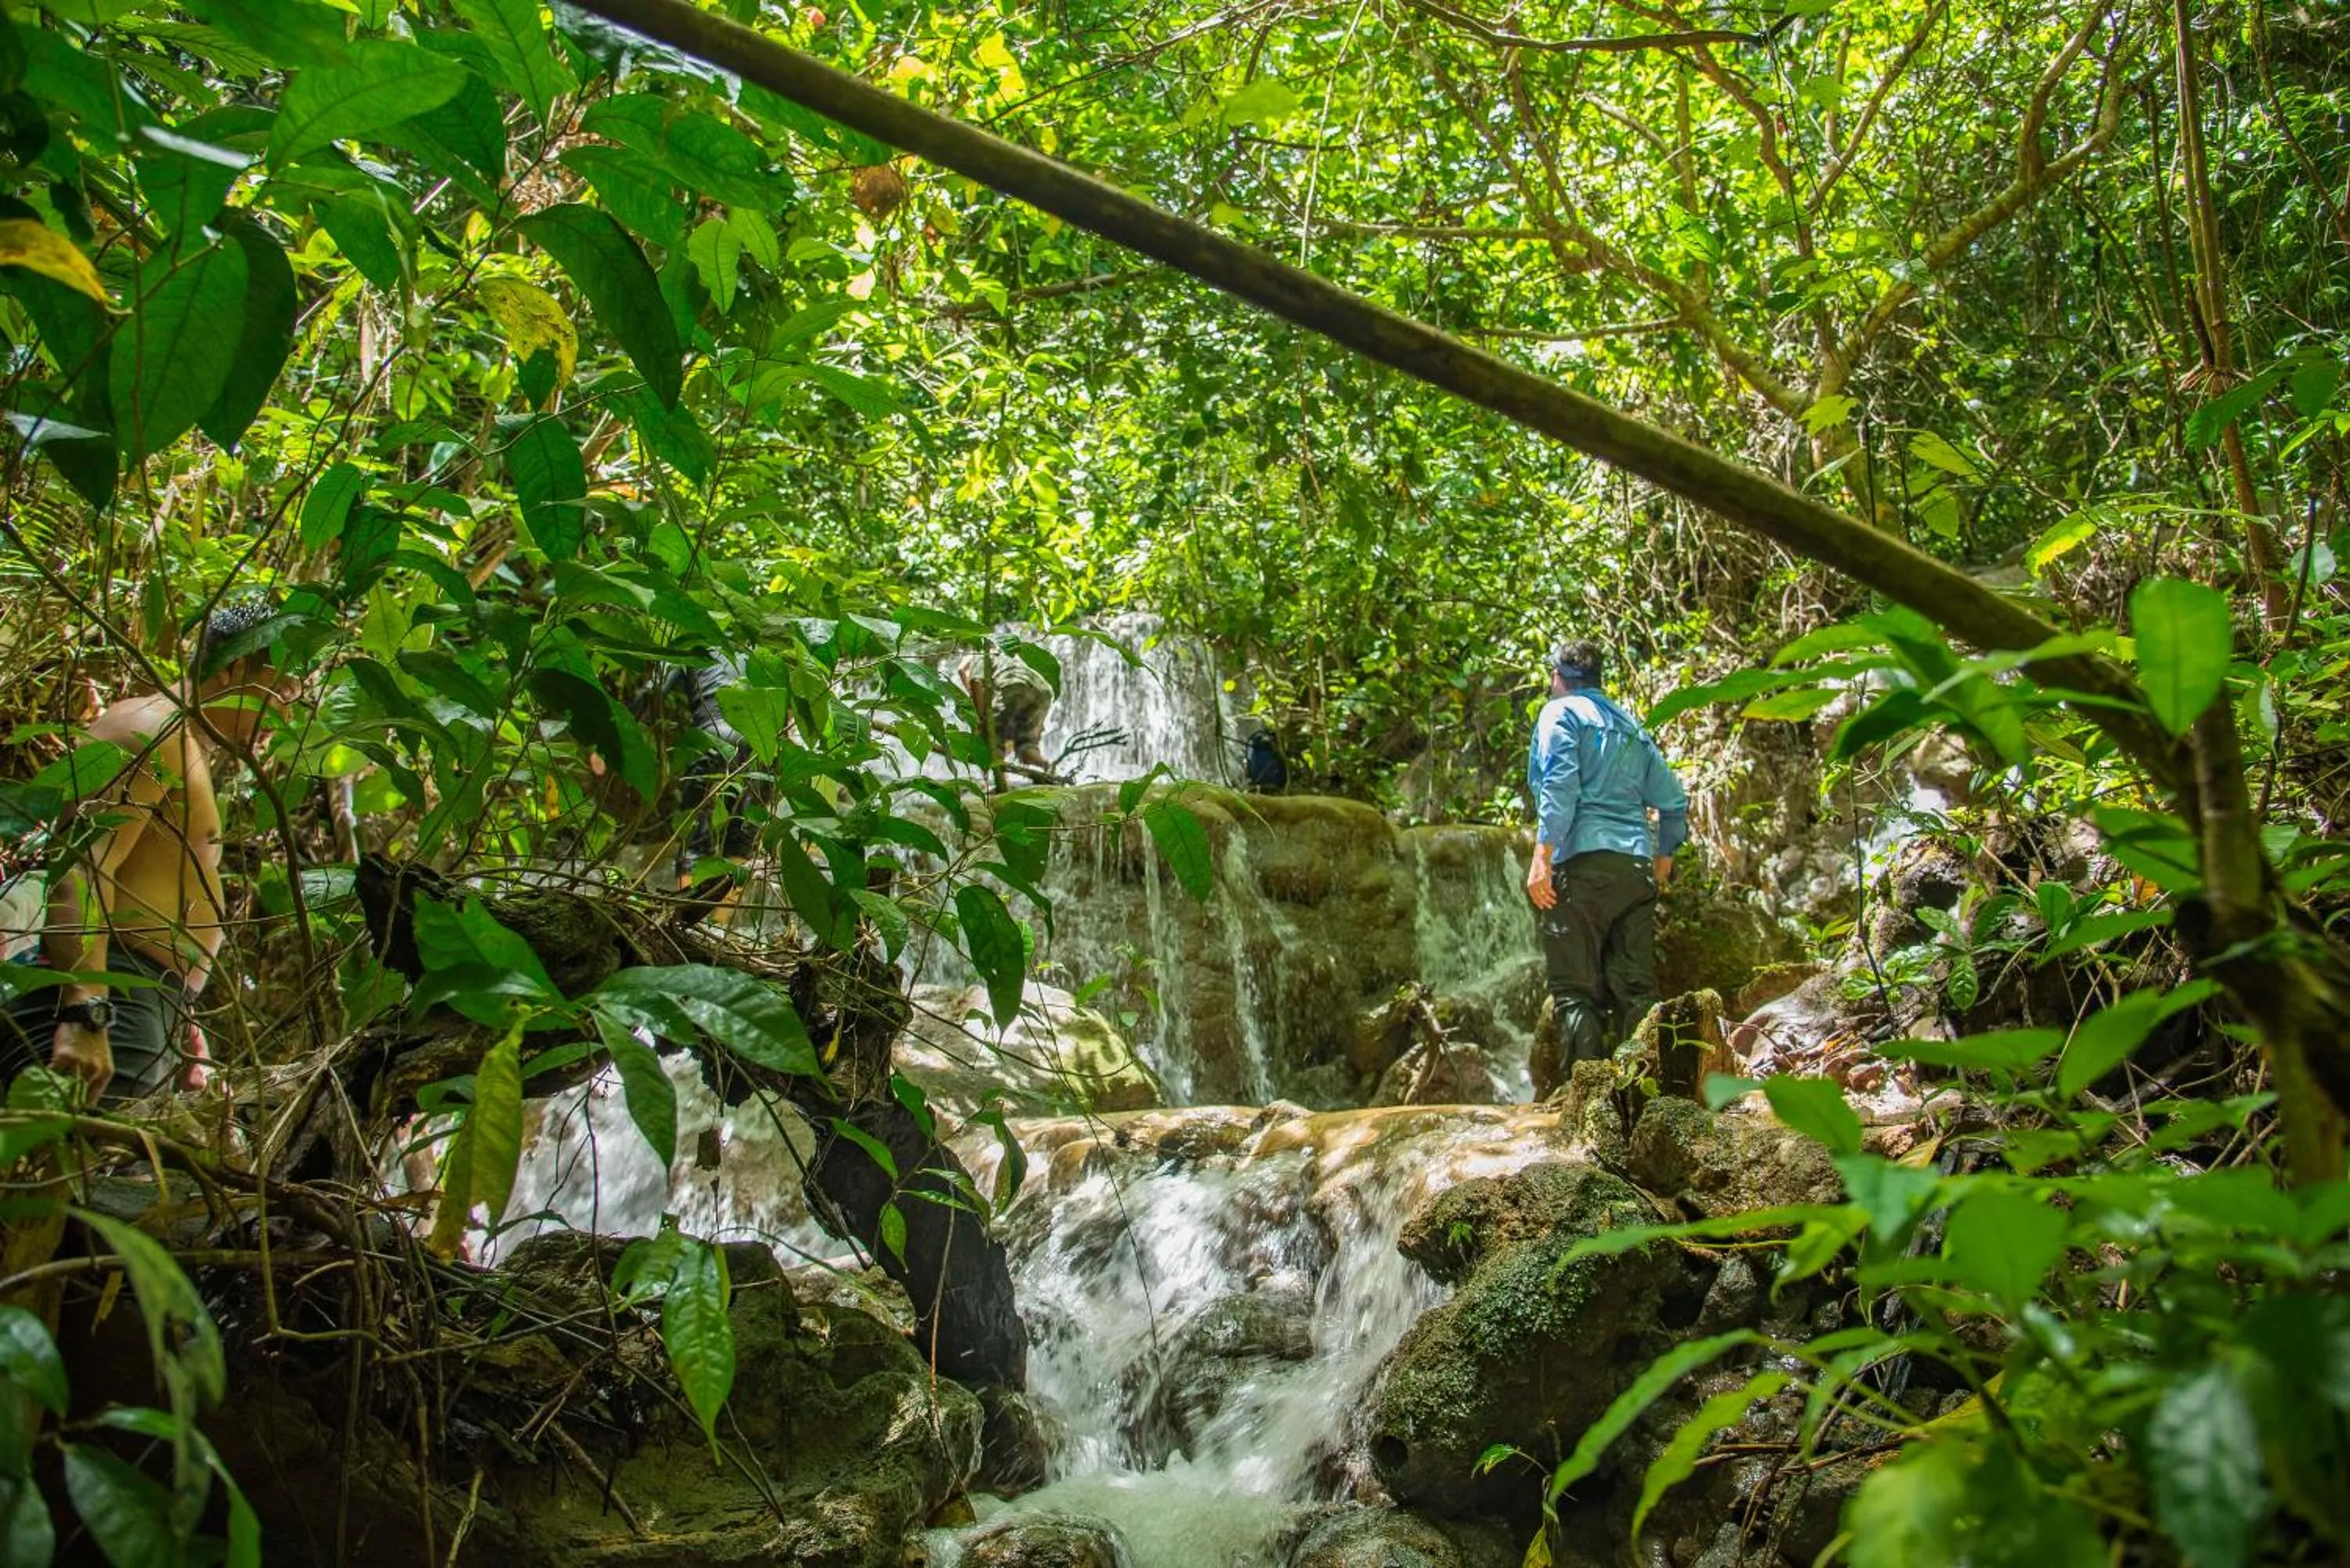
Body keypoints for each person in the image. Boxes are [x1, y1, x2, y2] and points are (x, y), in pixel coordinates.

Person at [0, 594, 295, 1106]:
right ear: (237, 669)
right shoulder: (152, 730)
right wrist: (86, 1011)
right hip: (108, 992)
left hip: (140, 996)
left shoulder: (180, 741)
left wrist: (179, 1022)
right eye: (284, 695)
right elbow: (84, 868)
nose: (287, 717)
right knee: (92, 1176)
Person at [1524, 638, 1689, 1082]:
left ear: (1558, 678)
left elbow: (1561, 785)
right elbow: (1674, 803)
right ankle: (1646, 1092)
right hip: (1634, 869)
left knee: (1576, 992)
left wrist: (1543, 856)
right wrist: (1662, 860)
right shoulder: (1632, 727)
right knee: (1637, 988)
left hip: (1580, 865)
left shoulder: (1559, 713)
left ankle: (1585, 1100)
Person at [948, 646, 1054, 775]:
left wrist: (980, 719)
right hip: (1043, 691)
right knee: (1025, 745)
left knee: (990, 735)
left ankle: (996, 784)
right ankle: (1047, 766)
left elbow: (975, 681)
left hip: (1015, 685)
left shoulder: (981, 655)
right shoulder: (1007, 656)